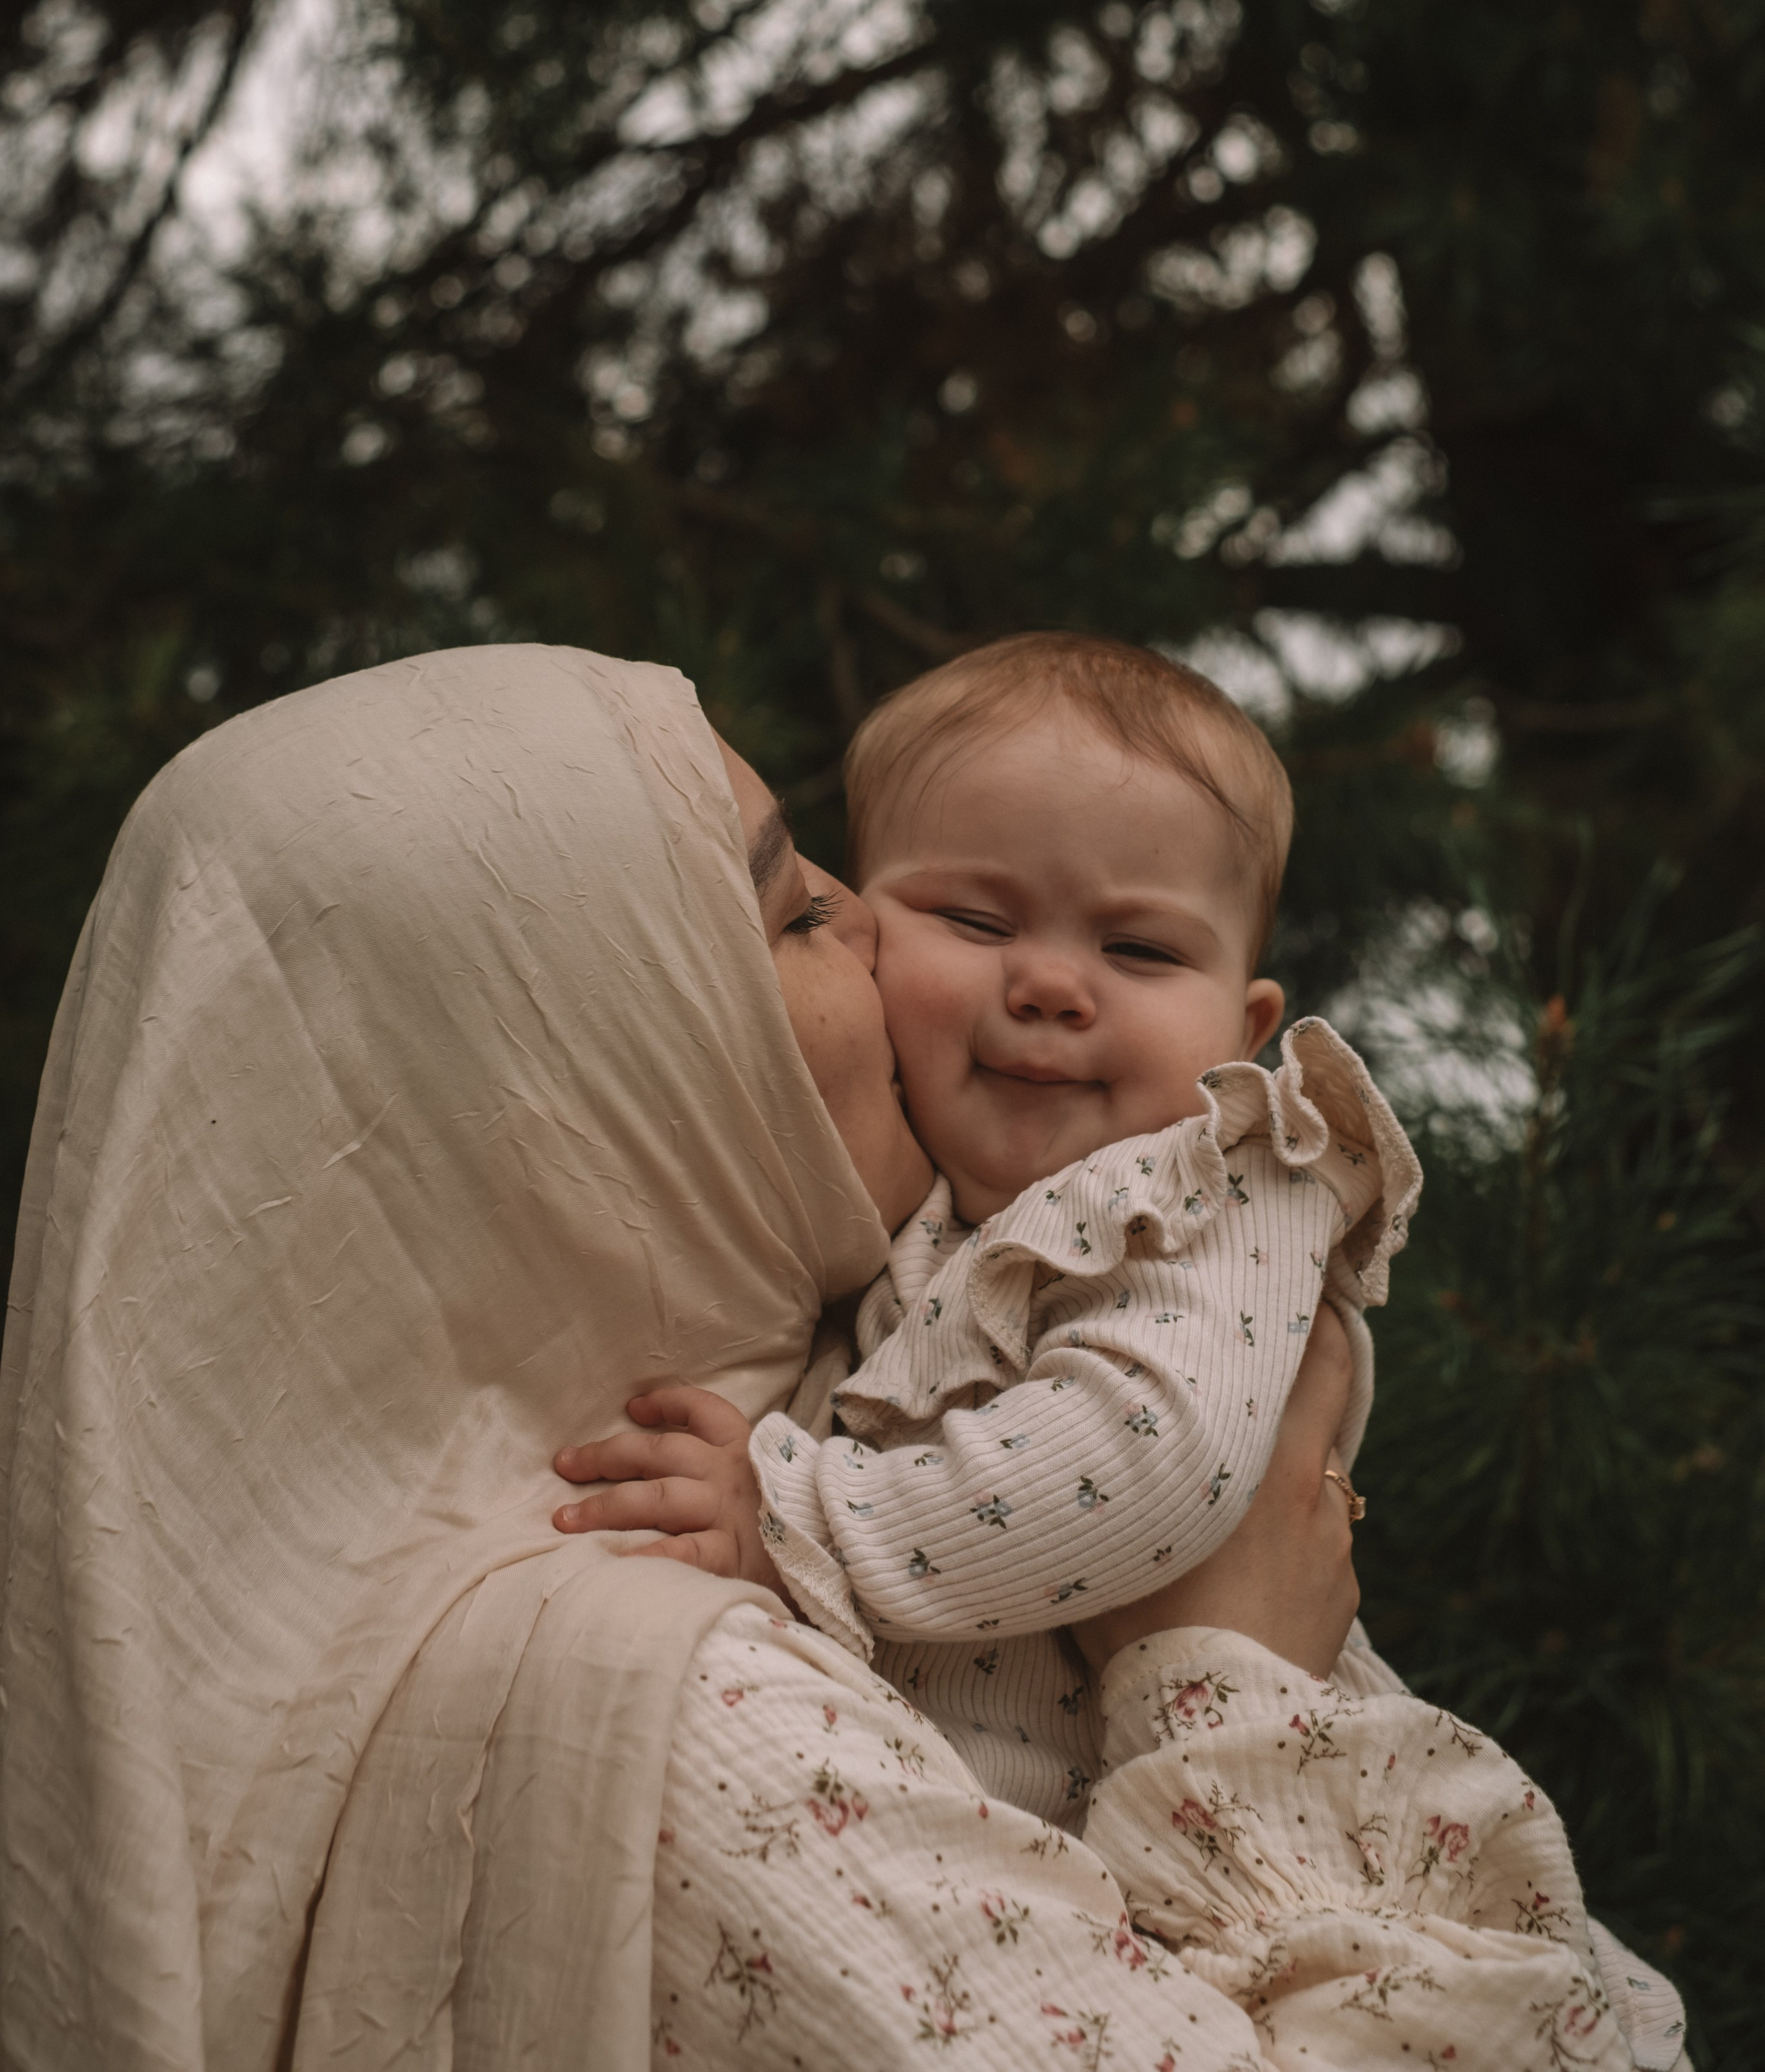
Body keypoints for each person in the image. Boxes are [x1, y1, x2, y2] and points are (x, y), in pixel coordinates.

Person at [0, 645, 1670, 2071]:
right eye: (796, 904)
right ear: (591, 1062)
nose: (870, 939)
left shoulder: (969, 1310)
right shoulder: (694, 1713)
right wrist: (1230, 1672)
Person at [560, 634, 1424, 1829]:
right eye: (975, 919)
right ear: (857, 932)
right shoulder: (894, 1207)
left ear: (1245, 1021)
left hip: (1273, 1797)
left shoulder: (1210, 1194)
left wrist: (800, 1525)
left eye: (1139, 949)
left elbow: (1152, 1458)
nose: (1054, 985)